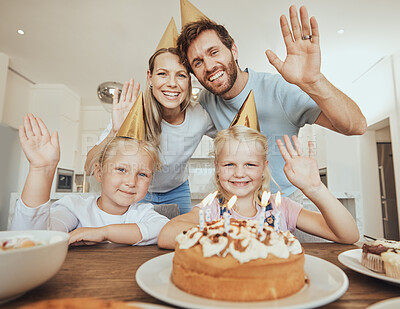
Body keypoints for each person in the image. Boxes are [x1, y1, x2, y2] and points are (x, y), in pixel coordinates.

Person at [176, 3, 367, 203]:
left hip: (289, 200)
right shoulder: (205, 103)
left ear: (233, 50)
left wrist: (314, 81)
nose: (209, 66)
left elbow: (356, 126)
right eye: (197, 62)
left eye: (214, 52)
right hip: (240, 205)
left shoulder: (280, 90)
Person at [157, 125, 359, 249]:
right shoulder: (212, 210)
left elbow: (348, 235)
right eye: (229, 164)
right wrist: (232, 234)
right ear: (217, 167)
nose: (239, 173)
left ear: (263, 168)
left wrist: (316, 189)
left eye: (250, 164)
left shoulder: (281, 208)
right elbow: (166, 236)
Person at [86, 48, 216, 215]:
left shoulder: (200, 117)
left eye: (181, 75)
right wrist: (116, 131)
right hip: (137, 190)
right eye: (162, 74)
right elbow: (89, 166)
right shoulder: (132, 114)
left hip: (177, 190)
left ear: (189, 81)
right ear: (150, 77)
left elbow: (234, 138)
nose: (172, 83)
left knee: (180, 236)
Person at [11, 114, 169, 246]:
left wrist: (103, 232)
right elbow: (33, 237)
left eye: (143, 174)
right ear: (99, 172)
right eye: (121, 169)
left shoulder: (141, 213)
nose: (131, 182)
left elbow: (164, 230)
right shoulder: (75, 208)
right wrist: (41, 170)